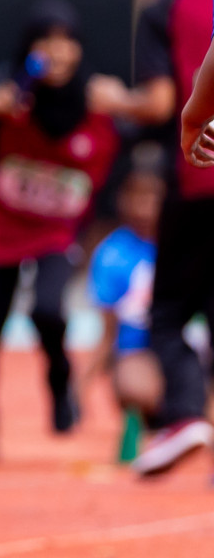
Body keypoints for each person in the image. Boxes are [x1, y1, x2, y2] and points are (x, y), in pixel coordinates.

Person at [0, 0, 125, 461]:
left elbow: (144, 120)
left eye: (66, 41)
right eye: (46, 41)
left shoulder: (96, 99)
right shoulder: (11, 89)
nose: (57, 52)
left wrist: (130, 101)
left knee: (50, 311)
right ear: (29, 48)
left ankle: (59, 382)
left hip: (57, 232)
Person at [127, 0, 214, 475]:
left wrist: (116, 100)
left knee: (168, 314)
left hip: (198, 178)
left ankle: (184, 415)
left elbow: (162, 100)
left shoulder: (167, 9)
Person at [82, 158, 166, 428]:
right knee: (138, 386)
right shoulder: (112, 254)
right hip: (138, 352)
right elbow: (107, 334)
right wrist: (79, 389)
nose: (144, 207)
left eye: (153, 196)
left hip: (193, 352)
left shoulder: (191, 246)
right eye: (136, 196)